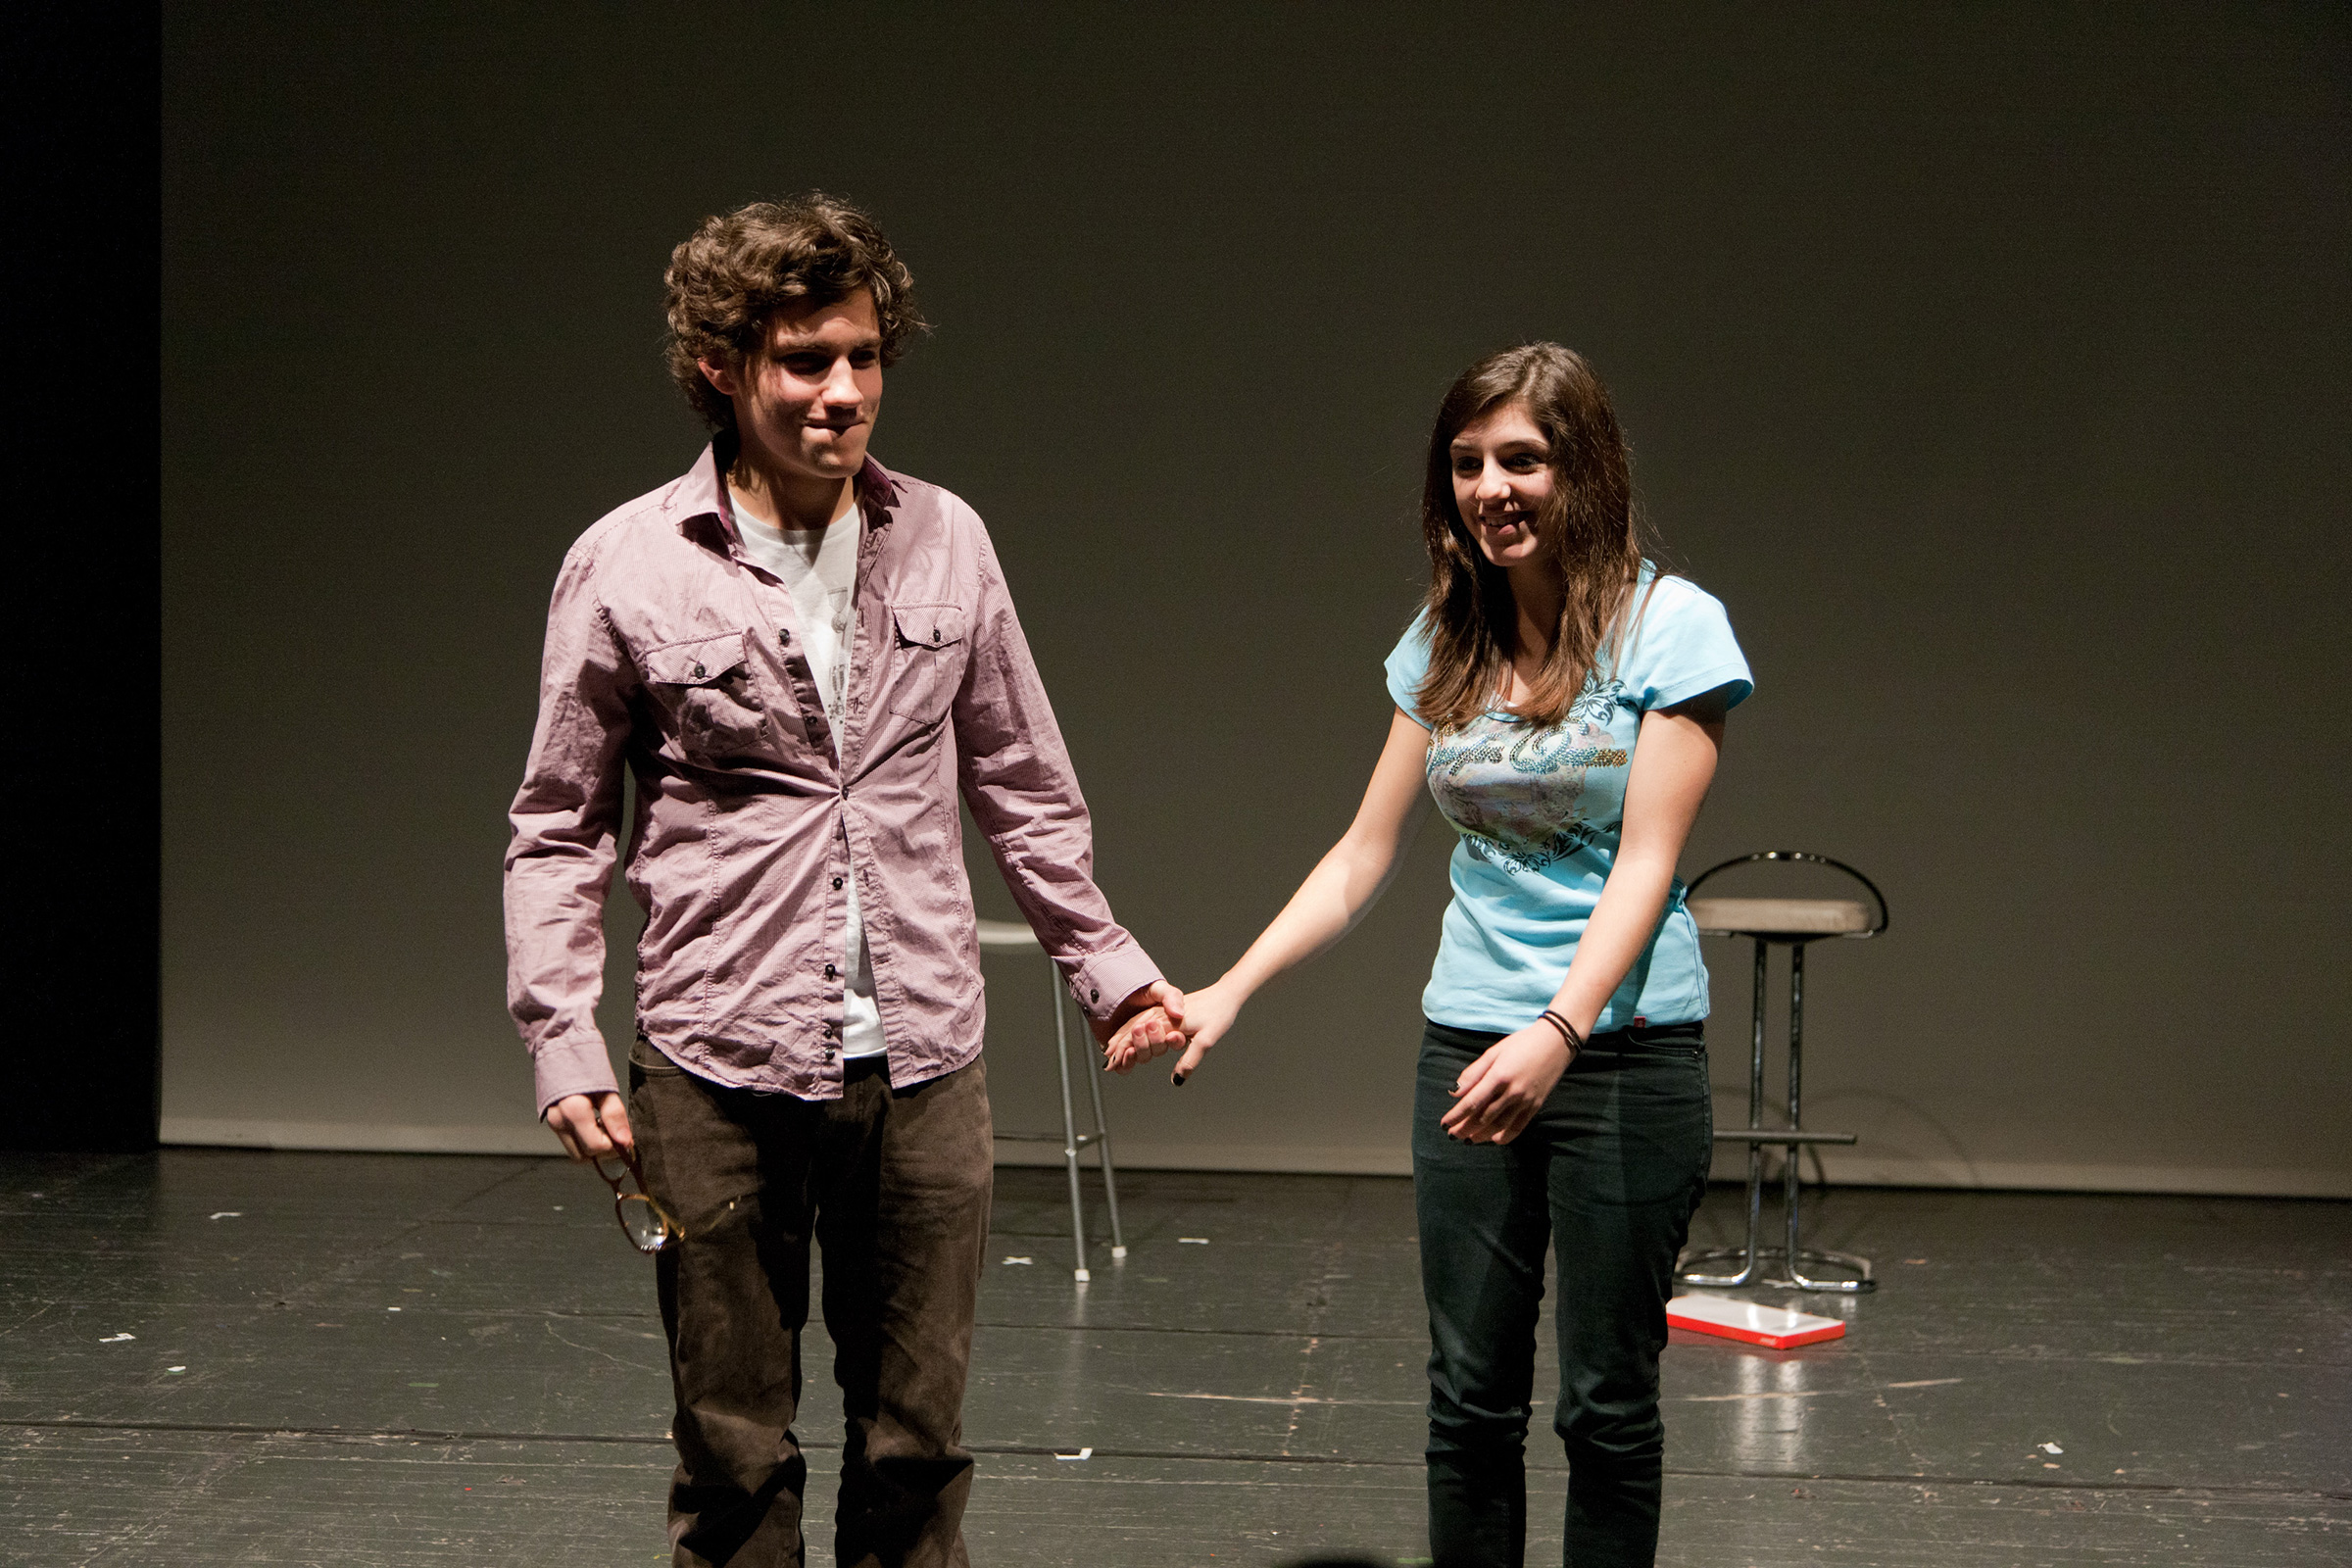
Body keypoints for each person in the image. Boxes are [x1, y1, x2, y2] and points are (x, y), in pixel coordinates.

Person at [504, 193, 1184, 1568]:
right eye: (805, 361)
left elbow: (1023, 781)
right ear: (720, 366)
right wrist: (561, 1036)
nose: (843, 391)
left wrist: (1108, 969)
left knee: (916, 1452)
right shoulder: (627, 560)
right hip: (716, 1064)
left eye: (864, 357)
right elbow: (559, 824)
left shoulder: (946, 538)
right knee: (732, 1454)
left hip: (921, 1064)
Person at [1111, 343, 1749, 1567]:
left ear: (1585, 470)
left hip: (1619, 1054)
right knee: (1468, 1399)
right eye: (1467, 463)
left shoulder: (1673, 627)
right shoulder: (1446, 642)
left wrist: (1557, 1030)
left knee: (1607, 1404)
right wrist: (1230, 988)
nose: (1490, 488)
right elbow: (1363, 853)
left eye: (1521, 459)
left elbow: (1646, 864)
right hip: (1468, 1048)